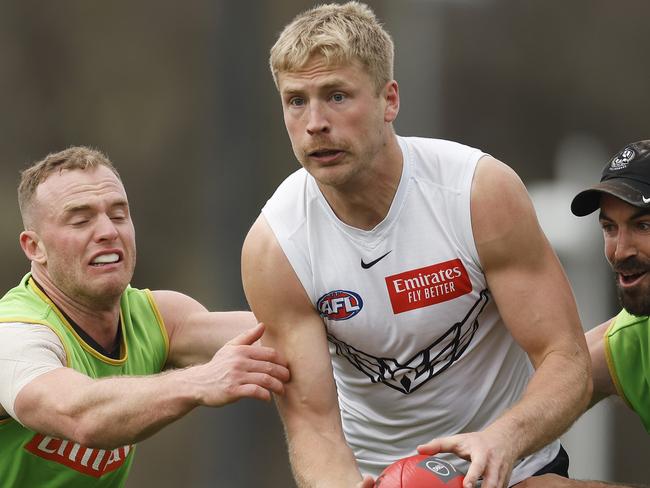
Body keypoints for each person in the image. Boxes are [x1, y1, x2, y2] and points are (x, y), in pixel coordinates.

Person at [240, 3, 591, 488]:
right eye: (296, 100)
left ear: (390, 100)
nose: (315, 122)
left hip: (515, 468)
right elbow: (314, 426)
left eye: (337, 96)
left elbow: (566, 360)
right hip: (374, 478)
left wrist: (501, 440)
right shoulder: (275, 246)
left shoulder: (477, 193)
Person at [0, 146, 290, 487]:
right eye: (81, 219)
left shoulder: (158, 317)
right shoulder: (15, 335)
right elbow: (81, 416)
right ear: (34, 248)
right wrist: (200, 380)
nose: (108, 230)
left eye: (119, 214)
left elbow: (286, 336)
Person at [518, 142, 650, 487]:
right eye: (609, 228)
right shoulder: (634, 339)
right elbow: (518, 411)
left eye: (644, 226)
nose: (620, 250)